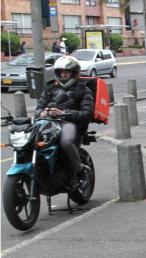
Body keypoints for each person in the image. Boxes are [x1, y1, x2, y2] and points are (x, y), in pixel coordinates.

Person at [34, 56, 93, 185]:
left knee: (65, 142)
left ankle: (80, 170)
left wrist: (64, 113)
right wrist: (42, 112)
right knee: (29, 140)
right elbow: (39, 107)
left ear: (74, 72)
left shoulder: (82, 89)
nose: (64, 74)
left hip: (68, 122)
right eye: (61, 71)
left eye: (67, 71)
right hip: (47, 121)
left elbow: (87, 114)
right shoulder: (50, 87)